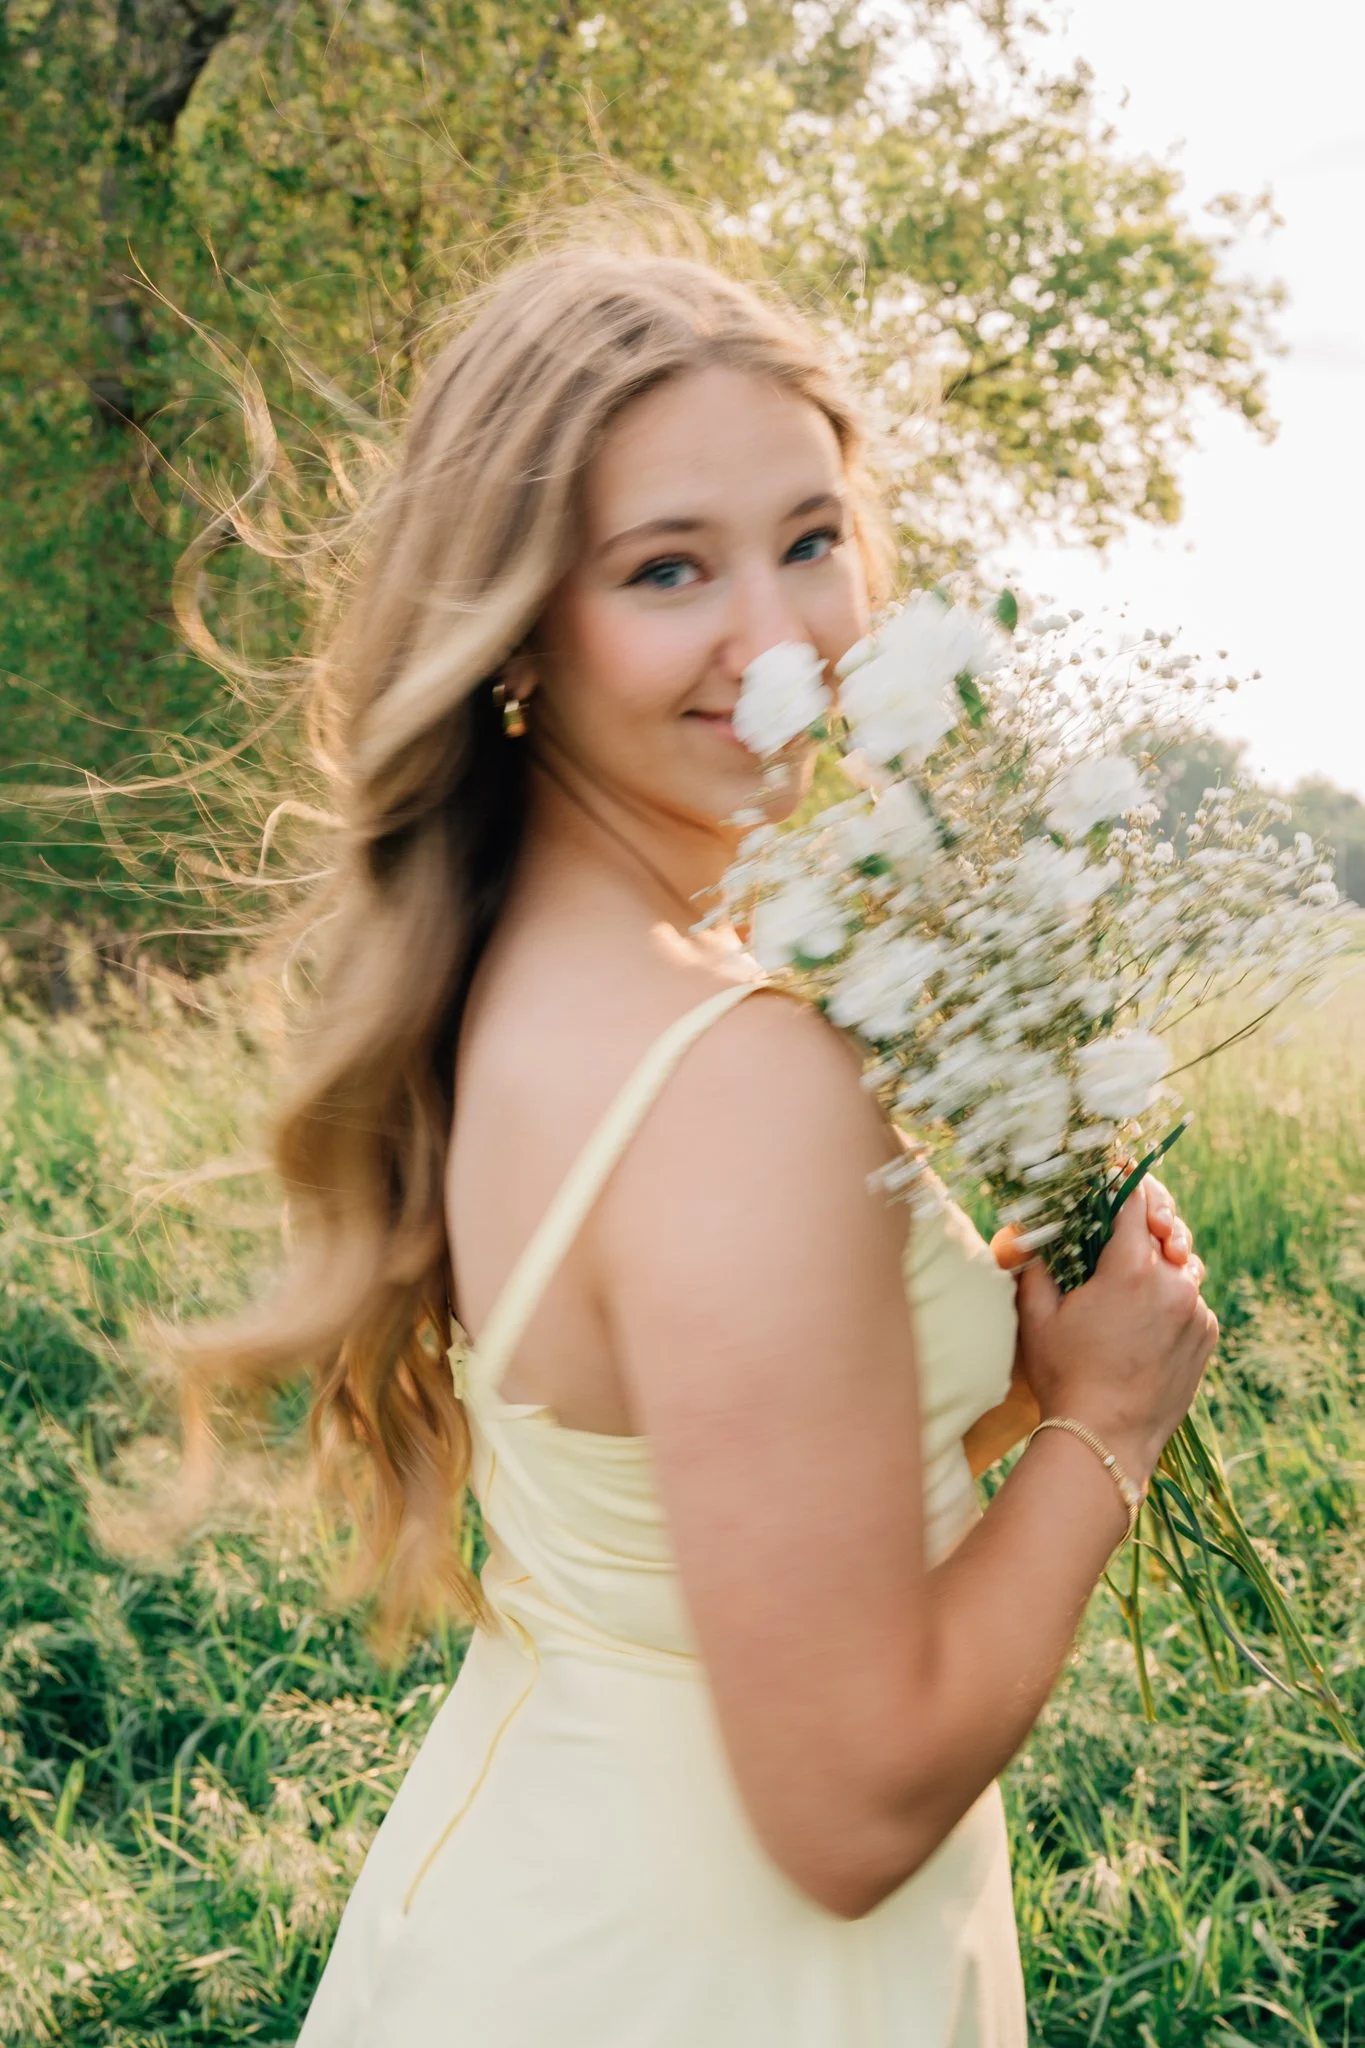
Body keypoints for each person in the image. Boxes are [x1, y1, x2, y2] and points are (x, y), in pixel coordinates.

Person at [191, 230, 1215, 2046]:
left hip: (539, 1897)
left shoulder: (544, 973)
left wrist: (991, 1379)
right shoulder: (731, 1072)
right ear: (521, 626)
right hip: (709, 1973)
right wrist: (1108, 1422)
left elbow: (689, 1471)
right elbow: (850, 1803)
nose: (786, 639)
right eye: (669, 567)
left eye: (813, 539)